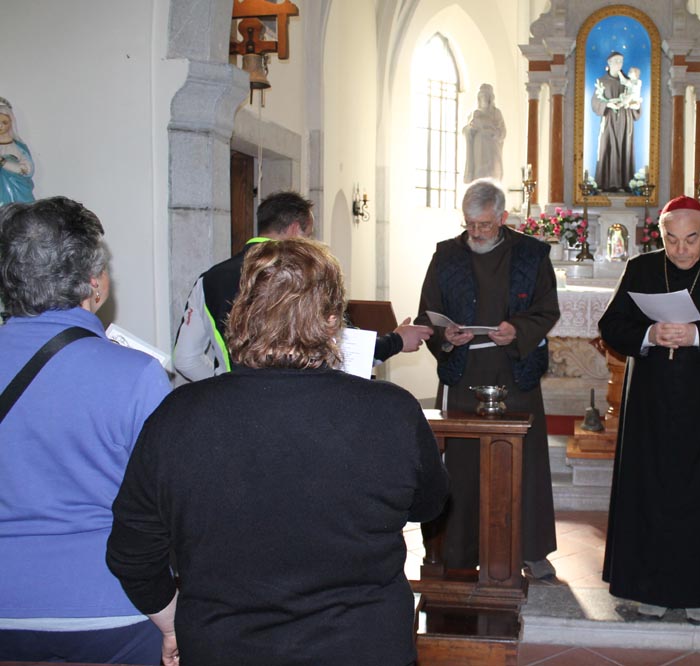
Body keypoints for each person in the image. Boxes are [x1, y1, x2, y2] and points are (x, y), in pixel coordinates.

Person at [107, 238, 449, 666]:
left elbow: (132, 552)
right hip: (361, 644)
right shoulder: (390, 411)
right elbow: (429, 504)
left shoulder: (179, 416)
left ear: (240, 314)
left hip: (225, 646)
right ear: (332, 321)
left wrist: (170, 622)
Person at [0, 197, 171, 664]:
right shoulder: (137, 375)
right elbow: (164, 509)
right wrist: (173, 618)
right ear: (94, 283)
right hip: (110, 611)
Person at [598, 195, 700, 625]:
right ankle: (648, 589)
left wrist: (697, 337)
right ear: (660, 234)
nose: (681, 249)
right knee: (651, 493)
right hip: (651, 405)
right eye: (671, 240)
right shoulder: (641, 269)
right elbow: (611, 326)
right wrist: (650, 334)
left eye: (690, 239)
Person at [415, 178, 559, 580]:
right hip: (464, 372)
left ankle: (531, 551)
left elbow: (547, 309)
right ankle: (459, 549)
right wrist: (447, 335)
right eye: (470, 224)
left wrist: (518, 329)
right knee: (462, 464)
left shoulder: (532, 254)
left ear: (503, 217)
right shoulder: (446, 255)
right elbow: (428, 312)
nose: (476, 232)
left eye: (485, 224)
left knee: (523, 460)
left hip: (515, 369)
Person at [173, 190, 430, 381]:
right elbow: (346, 351)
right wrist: (396, 341)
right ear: (296, 230)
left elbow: (185, 358)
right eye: (309, 234)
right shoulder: (311, 277)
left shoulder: (208, 280)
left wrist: (223, 385)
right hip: (303, 402)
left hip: (235, 405)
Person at [591, 52, 640, 191]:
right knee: (608, 146)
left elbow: (636, 99)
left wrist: (632, 104)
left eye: (621, 61)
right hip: (609, 119)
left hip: (625, 119)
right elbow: (595, 102)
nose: (619, 63)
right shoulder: (602, 81)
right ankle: (607, 183)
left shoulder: (629, 81)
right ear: (609, 62)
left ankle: (625, 183)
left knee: (625, 147)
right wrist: (608, 104)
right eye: (616, 60)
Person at [463, 83, 506, 183]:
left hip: (492, 147)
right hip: (479, 146)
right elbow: (467, 130)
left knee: (492, 172)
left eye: (486, 96)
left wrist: (491, 131)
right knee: (480, 172)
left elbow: (502, 132)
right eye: (482, 96)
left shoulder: (496, 113)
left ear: (490, 98)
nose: (484, 99)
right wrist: (471, 129)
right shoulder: (474, 113)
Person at [0, 97, 36, 205]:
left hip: (16, 189)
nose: (0, 126)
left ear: (11, 122)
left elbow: (27, 170)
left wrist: (4, 162)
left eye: (4, 122)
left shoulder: (18, 147)